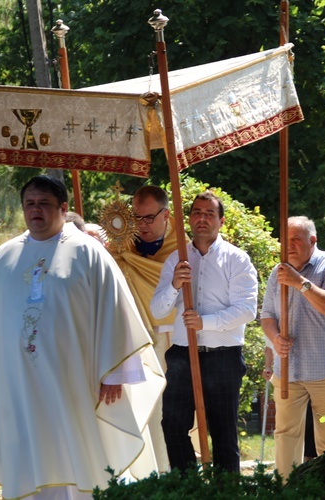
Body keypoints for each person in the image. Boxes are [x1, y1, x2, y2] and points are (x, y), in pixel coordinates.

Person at [0, 175, 164, 499]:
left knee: (78, 456)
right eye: (30, 204)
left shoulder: (89, 254)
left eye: (44, 203)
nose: (35, 210)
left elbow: (115, 313)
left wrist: (114, 373)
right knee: (29, 455)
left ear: (63, 207)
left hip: (74, 379)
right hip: (19, 382)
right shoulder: (4, 256)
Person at [151, 190, 258, 473]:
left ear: (221, 221)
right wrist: (174, 284)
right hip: (182, 356)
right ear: (189, 219)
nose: (202, 218)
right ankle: (187, 489)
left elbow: (247, 309)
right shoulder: (177, 259)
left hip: (222, 357)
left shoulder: (237, 259)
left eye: (210, 213)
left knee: (223, 434)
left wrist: (204, 323)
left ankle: (226, 493)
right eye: (197, 212)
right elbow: (158, 310)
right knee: (172, 425)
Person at [261, 216, 325, 477]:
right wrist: (276, 337)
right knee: (285, 436)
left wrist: (300, 282)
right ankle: (285, 491)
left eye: (296, 240)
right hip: (288, 370)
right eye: (285, 240)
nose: (289, 246)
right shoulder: (277, 272)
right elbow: (267, 315)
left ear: (313, 241)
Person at [109, 185, 184, 472]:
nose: (142, 226)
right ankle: (143, 472)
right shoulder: (119, 245)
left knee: (174, 410)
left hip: (172, 339)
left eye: (149, 218)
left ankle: (173, 473)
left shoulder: (183, 248)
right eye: (136, 218)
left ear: (166, 214)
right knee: (144, 409)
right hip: (133, 340)